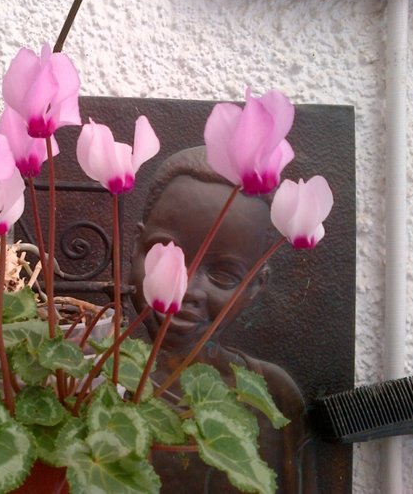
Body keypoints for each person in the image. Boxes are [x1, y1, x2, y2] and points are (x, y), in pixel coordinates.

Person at [128, 146, 317, 493]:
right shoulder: (88, 383)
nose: (185, 289)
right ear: (134, 247)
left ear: (256, 286)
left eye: (225, 276)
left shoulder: (273, 396)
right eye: (165, 256)